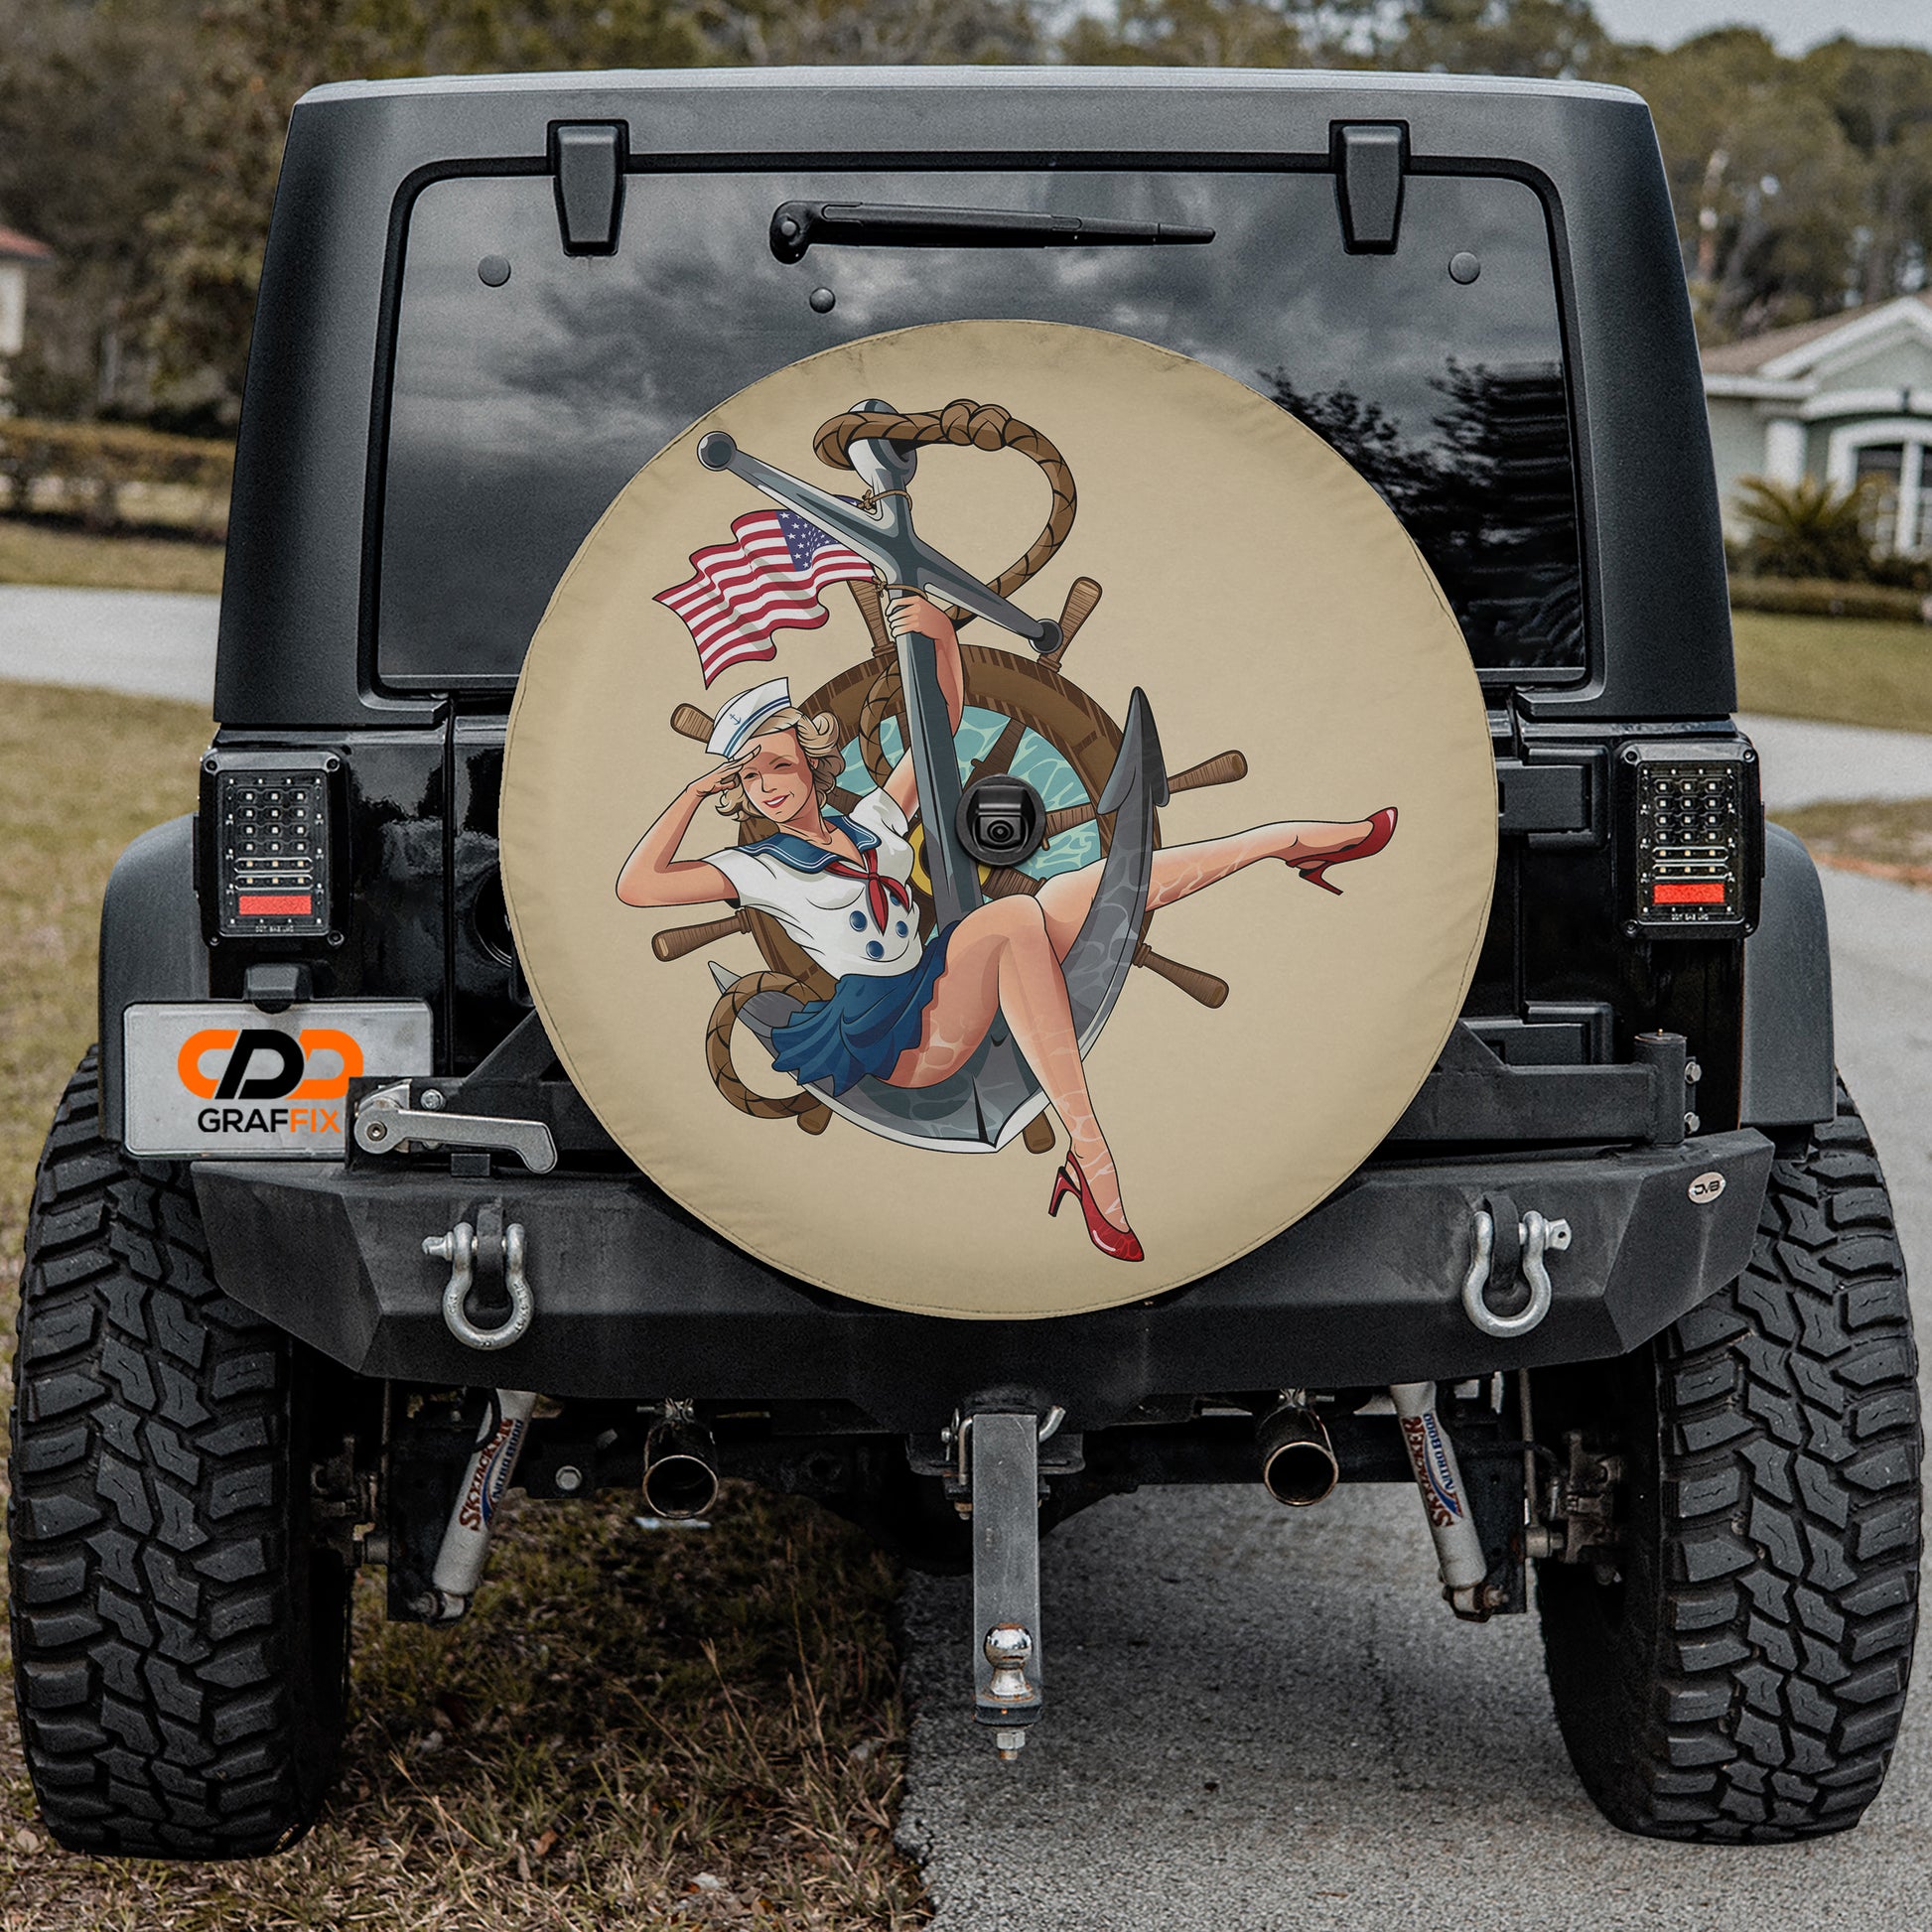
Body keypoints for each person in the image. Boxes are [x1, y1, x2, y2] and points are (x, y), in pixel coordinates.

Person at [617, 594, 1396, 1263]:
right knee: (1013, 920)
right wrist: (693, 792)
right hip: (895, 1039)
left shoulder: (874, 826)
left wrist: (940, 637)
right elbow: (638, 885)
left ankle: (1292, 842)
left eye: (777, 768)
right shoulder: (760, 870)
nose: (766, 788)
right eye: (750, 778)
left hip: (933, 993)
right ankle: (1092, 1158)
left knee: (1091, 887)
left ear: (812, 767)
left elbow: (942, 722)